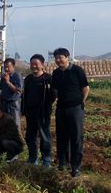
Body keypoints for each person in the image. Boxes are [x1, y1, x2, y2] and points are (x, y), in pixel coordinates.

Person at [51, 48, 90, 178]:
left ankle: (76, 167)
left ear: (67, 57)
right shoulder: (56, 73)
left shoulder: (77, 70)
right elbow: (55, 90)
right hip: (61, 108)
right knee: (62, 136)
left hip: (75, 108)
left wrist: (80, 103)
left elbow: (85, 88)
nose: (58, 60)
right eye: (56, 58)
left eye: (60, 57)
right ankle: (63, 163)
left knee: (76, 137)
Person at [22, 54, 56, 166]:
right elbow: (24, 95)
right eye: (32, 64)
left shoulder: (48, 79)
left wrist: (45, 106)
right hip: (30, 113)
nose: (34, 66)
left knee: (45, 137)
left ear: (42, 65)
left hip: (43, 113)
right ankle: (33, 158)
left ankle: (46, 159)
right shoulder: (28, 79)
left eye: (36, 64)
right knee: (30, 137)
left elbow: (52, 96)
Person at [0, 57, 23, 128]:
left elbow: (19, 91)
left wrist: (8, 82)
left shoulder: (17, 76)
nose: (6, 69)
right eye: (5, 67)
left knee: (15, 125)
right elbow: (1, 90)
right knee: (5, 125)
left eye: (8, 67)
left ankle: (17, 139)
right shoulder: (4, 76)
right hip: (4, 103)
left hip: (13, 104)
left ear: (13, 67)